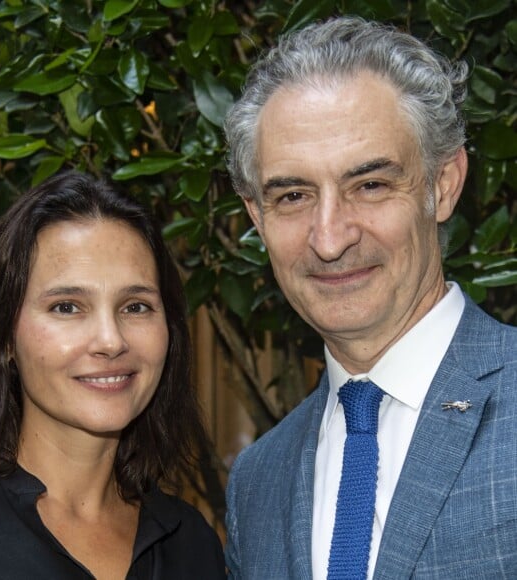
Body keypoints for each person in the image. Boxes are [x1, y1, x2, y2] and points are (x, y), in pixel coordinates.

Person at [223, 16, 517, 580]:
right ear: (255, 216)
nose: (330, 239)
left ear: (444, 184)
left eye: (371, 185)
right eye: (292, 195)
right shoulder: (259, 481)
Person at [0, 172, 226, 579]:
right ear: (3, 335)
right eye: (67, 307)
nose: (110, 341)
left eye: (136, 306)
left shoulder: (191, 545)